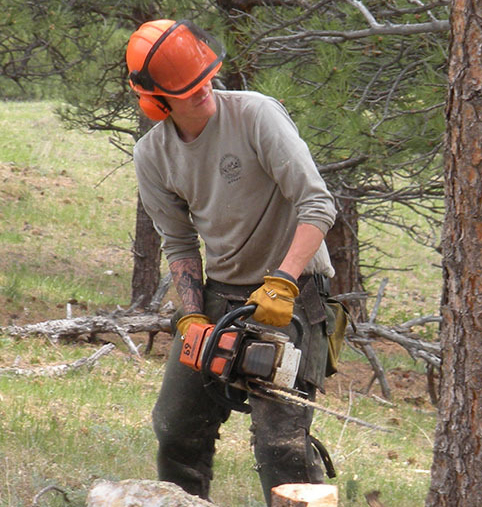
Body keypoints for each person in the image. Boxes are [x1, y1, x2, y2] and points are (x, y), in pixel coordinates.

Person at [125, 19, 337, 505]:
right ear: (157, 100)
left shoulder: (257, 115)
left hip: (294, 292)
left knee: (279, 441)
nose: (205, 92)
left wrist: (283, 282)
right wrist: (194, 314)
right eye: (189, 89)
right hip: (221, 297)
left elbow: (318, 205)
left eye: (206, 80)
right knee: (177, 426)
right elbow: (178, 244)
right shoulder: (152, 156)